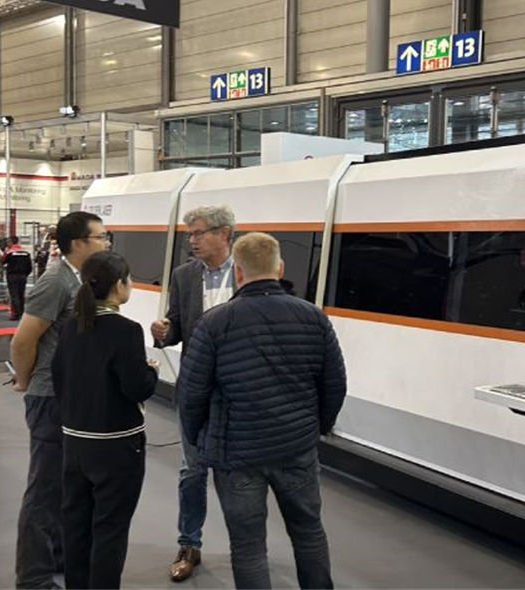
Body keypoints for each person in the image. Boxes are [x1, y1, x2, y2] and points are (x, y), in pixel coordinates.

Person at [179, 232, 347, 590]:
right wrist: (316, 428)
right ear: (280, 268)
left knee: (248, 546)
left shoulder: (214, 322)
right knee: (308, 531)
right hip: (296, 448)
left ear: (237, 272)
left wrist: (198, 439)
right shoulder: (313, 317)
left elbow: (191, 394)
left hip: (236, 455)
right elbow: (335, 384)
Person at [10, 211, 110, 590]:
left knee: (68, 486)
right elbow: (23, 340)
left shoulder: (80, 279)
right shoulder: (55, 281)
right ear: (78, 243)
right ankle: (33, 577)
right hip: (50, 398)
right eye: (100, 237)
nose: (106, 243)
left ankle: (59, 556)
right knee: (45, 488)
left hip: (71, 397)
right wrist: (26, 381)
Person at [52, 251, 160, 589]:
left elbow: (58, 378)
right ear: (119, 285)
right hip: (117, 446)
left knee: (76, 525)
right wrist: (151, 372)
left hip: (74, 442)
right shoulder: (126, 330)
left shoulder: (71, 327)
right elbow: (136, 388)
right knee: (110, 529)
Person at [150, 204, 236, 582]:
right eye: (190, 235)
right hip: (195, 393)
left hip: (238, 394)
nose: (192, 241)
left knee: (237, 475)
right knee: (192, 472)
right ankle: (189, 545)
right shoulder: (184, 276)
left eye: (199, 233)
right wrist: (163, 332)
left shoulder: (247, 271)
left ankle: (246, 548)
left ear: (224, 234)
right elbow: (177, 327)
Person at [1, 236, 34, 320]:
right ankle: (22, 312)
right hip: (23, 275)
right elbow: (30, 266)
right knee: (21, 294)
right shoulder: (26, 252)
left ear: (11, 242)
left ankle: (16, 313)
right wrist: (25, 274)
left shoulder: (10, 252)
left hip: (12, 275)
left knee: (14, 295)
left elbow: (3, 261)